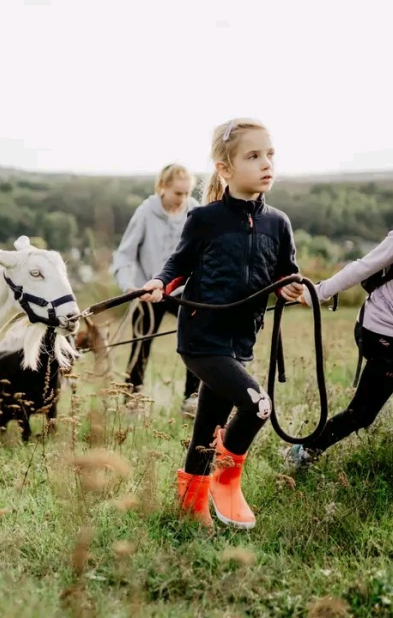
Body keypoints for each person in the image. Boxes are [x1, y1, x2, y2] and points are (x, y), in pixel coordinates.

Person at [138, 118, 305, 529]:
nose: (266, 163)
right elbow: (180, 263)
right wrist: (160, 282)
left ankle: (189, 506)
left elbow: (287, 273)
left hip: (239, 343)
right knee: (257, 406)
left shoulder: (278, 223)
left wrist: (290, 289)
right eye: (253, 156)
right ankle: (226, 481)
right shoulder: (205, 219)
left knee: (206, 430)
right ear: (225, 169)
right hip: (201, 340)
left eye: (270, 154)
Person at [285, 231, 393, 468]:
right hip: (382, 332)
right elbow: (361, 268)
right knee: (362, 413)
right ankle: (302, 452)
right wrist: (318, 294)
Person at [112, 163, 202, 412]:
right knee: (141, 345)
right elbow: (125, 254)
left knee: (195, 337)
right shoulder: (145, 212)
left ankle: (192, 399)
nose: (182, 199)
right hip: (148, 290)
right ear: (163, 188)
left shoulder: (194, 211)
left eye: (187, 193)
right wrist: (129, 286)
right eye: (178, 193)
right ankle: (131, 401)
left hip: (181, 291)